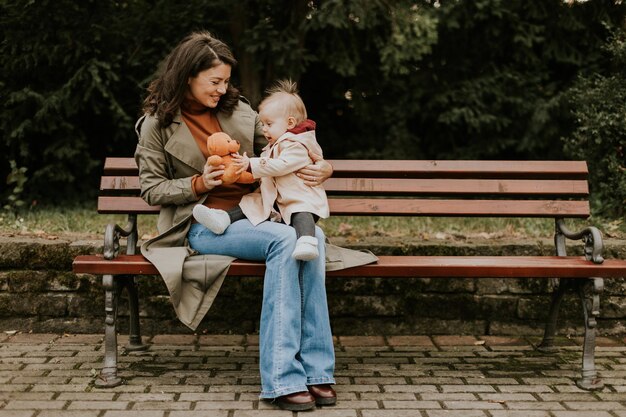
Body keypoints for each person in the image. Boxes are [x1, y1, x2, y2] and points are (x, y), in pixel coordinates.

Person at [134, 31, 375, 411]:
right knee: (286, 241)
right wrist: (199, 182)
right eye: (214, 81)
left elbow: (287, 145)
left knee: (310, 240)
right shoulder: (157, 124)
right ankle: (282, 378)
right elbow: (151, 189)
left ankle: (316, 371)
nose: (222, 88)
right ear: (187, 76)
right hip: (204, 225)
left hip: (260, 211)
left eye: (226, 80)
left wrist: (322, 165)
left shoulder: (238, 110)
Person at [192, 79, 329, 261]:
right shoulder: (277, 142)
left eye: (268, 124)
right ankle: (223, 218)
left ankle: (306, 241)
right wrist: (244, 171)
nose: (263, 129)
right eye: (262, 124)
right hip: (277, 198)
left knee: (300, 211)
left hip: (298, 197)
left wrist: (251, 164)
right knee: (251, 203)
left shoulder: (298, 145)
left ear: (289, 123)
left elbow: (281, 165)